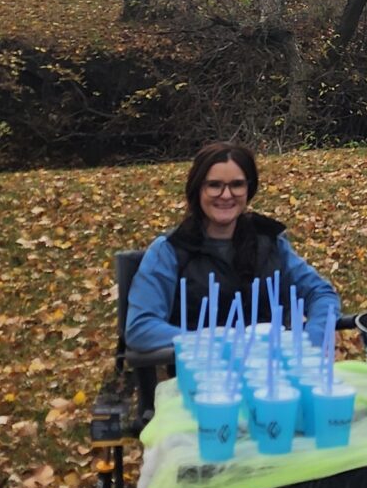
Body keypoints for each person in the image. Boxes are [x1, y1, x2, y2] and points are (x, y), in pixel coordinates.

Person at [126, 139, 341, 353]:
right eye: (214, 185)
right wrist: (217, 344)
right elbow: (141, 328)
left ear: (249, 189)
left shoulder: (271, 242)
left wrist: (313, 342)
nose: (226, 195)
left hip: (274, 374)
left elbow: (321, 294)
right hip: (200, 376)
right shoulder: (170, 250)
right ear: (197, 189)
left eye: (237, 185)